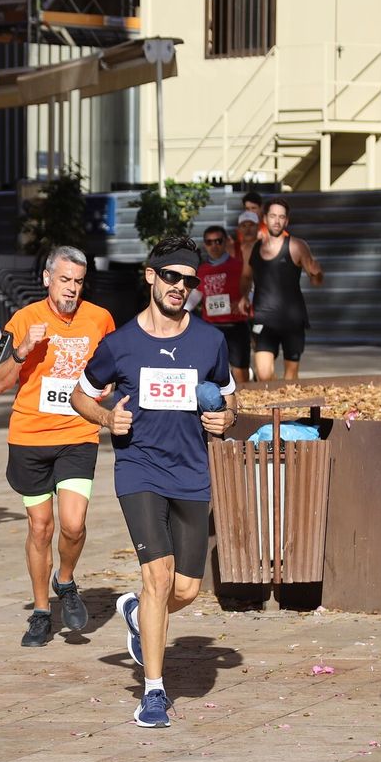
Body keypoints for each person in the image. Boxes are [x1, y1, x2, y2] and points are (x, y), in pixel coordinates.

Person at [70, 235, 237, 728]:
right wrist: (106, 420)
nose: (179, 287)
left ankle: (137, 613)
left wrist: (224, 420)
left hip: (191, 471)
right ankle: (155, 693)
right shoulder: (120, 345)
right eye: (170, 277)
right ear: (150, 275)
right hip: (139, 468)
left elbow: (230, 398)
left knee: (184, 590)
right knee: (157, 578)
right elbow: (80, 395)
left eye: (189, 281)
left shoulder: (210, 341)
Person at [0, 247, 116, 647]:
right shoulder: (23, 320)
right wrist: (23, 350)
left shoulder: (99, 319)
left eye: (78, 282)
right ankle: (42, 612)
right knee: (41, 527)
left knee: (74, 524)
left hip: (78, 433)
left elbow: (115, 366)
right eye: (65, 280)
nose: (72, 289)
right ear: (47, 279)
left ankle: (66, 579)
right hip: (29, 436)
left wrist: (110, 385)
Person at [249, 198, 323, 381]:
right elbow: (245, 277)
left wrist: (317, 273)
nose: (277, 220)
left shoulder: (297, 245)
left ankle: (285, 407)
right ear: (265, 218)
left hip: (292, 320)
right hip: (263, 318)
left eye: (281, 217)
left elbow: (316, 281)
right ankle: (274, 403)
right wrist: (243, 296)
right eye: (273, 216)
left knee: (291, 378)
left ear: (286, 221)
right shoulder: (254, 247)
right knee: (264, 375)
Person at [191, 224, 253, 384]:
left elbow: (252, 290)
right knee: (211, 372)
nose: (214, 245)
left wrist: (245, 300)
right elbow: (194, 298)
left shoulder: (239, 266)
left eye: (218, 241)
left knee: (240, 373)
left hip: (236, 327)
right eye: (209, 242)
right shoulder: (202, 270)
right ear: (205, 244)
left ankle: (244, 405)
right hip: (211, 329)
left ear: (226, 242)